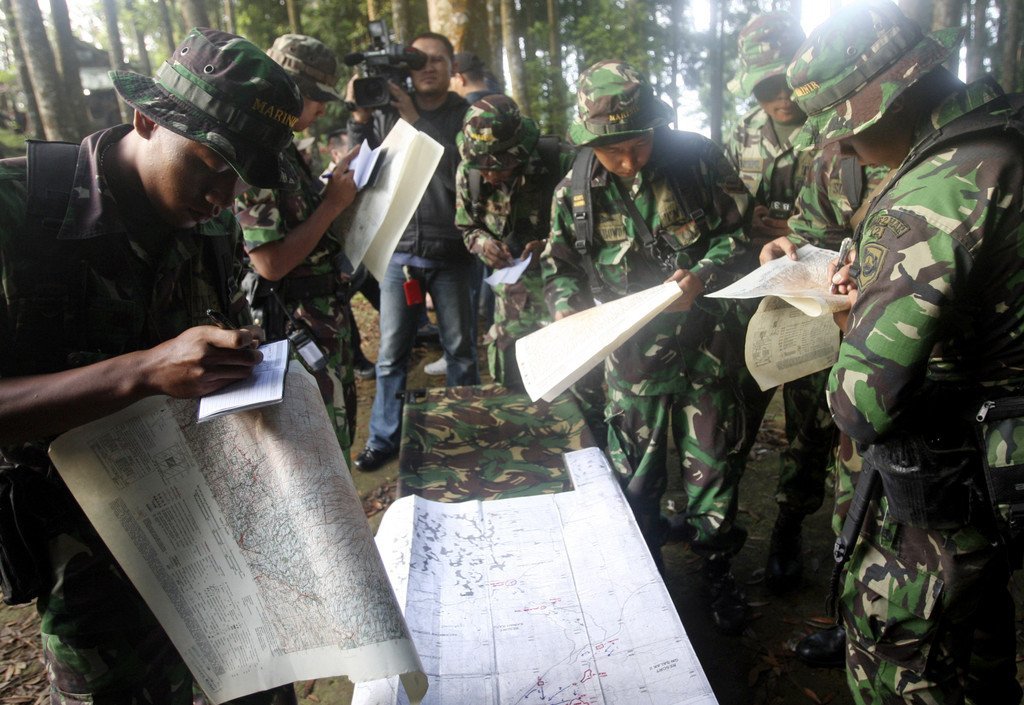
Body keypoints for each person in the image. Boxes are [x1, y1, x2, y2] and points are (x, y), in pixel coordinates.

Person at [0, 28, 304, 704]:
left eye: (240, 179)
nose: (222, 196)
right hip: (94, 573)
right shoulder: (20, 212)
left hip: (217, 536)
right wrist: (141, 372)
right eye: (211, 164)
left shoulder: (211, 226)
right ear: (147, 118)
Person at [778, 1, 1024, 701]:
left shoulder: (929, 195)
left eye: (846, 125)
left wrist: (853, 317)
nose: (840, 148)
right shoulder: (1003, 139)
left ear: (896, 95)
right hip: (999, 468)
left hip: (945, 487)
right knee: (977, 649)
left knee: (902, 667)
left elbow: (860, 406)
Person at [541, 60, 752, 634]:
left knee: (714, 470)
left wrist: (702, 275)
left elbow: (739, 233)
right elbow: (559, 267)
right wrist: (565, 307)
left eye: (638, 144)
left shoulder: (697, 160)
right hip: (631, 359)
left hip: (706, 345)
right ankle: (647, 573)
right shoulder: (574, 193)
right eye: (613, 151)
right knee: (635, 476)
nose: (629, 161)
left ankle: (717, 572)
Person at [723, 11, 836, 596]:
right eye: (766, 87)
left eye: (786, 82)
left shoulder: (836, 123)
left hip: (816, 295)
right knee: (735, 414)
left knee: (809, 423)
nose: (781, 97)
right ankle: (720, 523)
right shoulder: (740, 134)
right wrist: (751, 225)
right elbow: (724, 214)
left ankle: (789, 525)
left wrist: (798, 228)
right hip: (755, 296)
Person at [347, 32, 478, 471]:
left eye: (438, 59)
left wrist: (416, 122)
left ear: (452, 66)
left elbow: (462, 175)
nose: (428, 67)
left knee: (460, 350)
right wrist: (361, 117)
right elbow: (362, 165)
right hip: (399, 251)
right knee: (391, 355)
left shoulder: (465, 115)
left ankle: (464, 429)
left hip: (452, 251)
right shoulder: (388, 111)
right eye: (419, 60)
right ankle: (383, 439)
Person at [235, 34, 359, 463]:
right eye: (314, 97)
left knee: (338, 436)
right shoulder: (255, 152)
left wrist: (328, 190)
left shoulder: (284, 145)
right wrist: (332, 205)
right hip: (293, 326)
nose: (322, 109)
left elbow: (295, 217)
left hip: (323, 320)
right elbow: (269, 263)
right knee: (319, 453)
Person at [455, 94, 571, 388]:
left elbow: (593, 229)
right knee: (514, 385)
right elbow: (468, 226)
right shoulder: (469, 174)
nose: (489, 175)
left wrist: (550, 245)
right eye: (482, 166)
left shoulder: (559, 162)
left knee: (571, 387)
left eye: (499, 166)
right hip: (511, 305)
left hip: (565, 300)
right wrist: (484, 245)